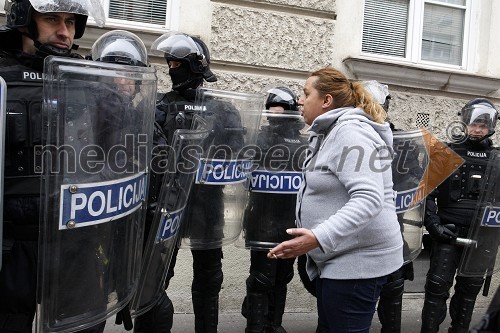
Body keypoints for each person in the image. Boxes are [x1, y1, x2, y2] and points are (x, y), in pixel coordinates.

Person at [267, 67, 404, 333]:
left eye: (306, 94)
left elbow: (369, 199)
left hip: (357, 265)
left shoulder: (350, 133)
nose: (300, 100)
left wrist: (317, 237)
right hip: (339, 260)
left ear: (326, 100)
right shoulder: (331, 131)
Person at [0, 0, 106, 332]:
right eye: (52, 19)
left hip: (74, 241)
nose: (64, 32)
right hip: (12, 245)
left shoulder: (89, 82)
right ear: (23, 21)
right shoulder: (2, 77)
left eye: (71, 23)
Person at [133, 32, 222, 333]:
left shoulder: (222, 110)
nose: (171, 70)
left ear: (195, 66)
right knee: (156, 276)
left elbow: (235, 154)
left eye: (176, 63)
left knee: (210, 277)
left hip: (207, 204)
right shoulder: (159, 106)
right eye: (168, 63)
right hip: (168, 206)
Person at [420, 98, 499, 333]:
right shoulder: (445, 153)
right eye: (474, 124)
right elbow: (426, 194)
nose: (477, 130)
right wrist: (433, 224)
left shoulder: (497, 160)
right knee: (437, 287)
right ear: (464, 123)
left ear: (491, 127)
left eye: (483, 125)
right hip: (448, 231)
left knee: (469, 289)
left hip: (482, 237)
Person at [240, 86, 307, 333]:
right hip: (262, 220)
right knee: (262, 278)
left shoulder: (303, 143)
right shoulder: (258, 139)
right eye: (271, 113)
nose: (274, 117)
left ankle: (274, 325)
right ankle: (256, 327)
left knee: (282, 278)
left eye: (280, 112)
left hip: (290, 222)